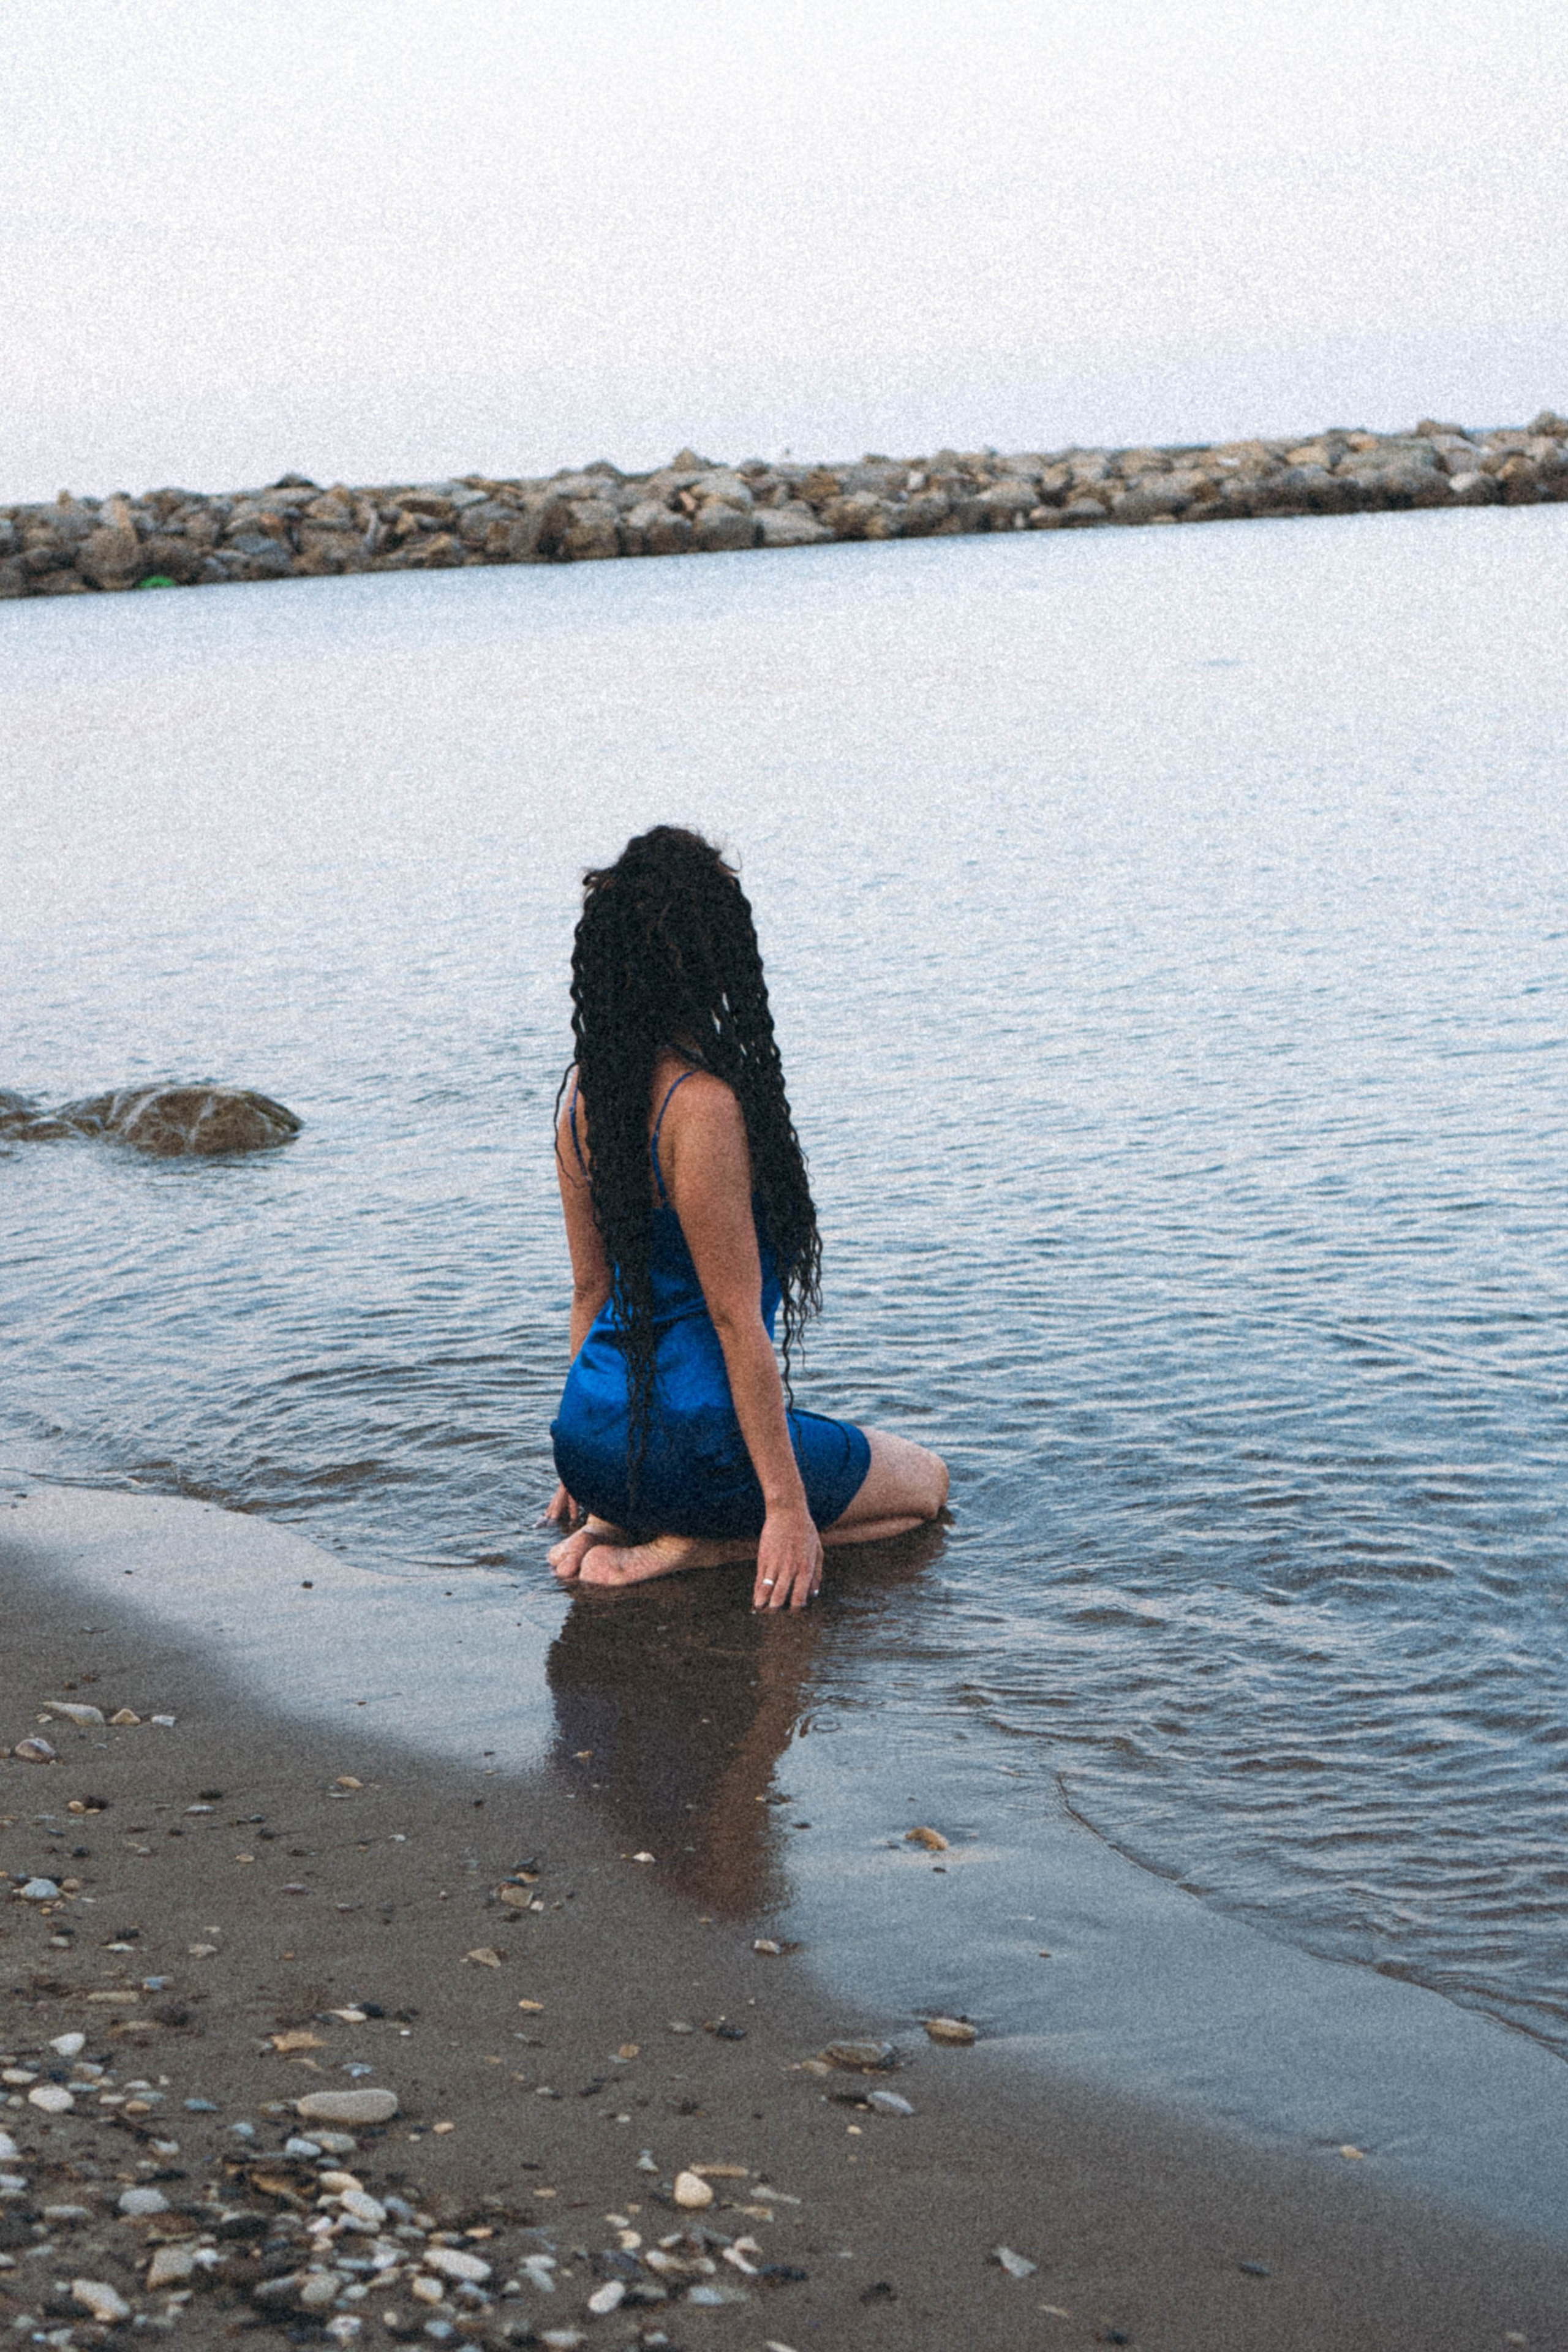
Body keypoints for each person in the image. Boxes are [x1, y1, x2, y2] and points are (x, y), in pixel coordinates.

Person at [545, 825, 948, 1610]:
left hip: (589, 1436)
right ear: (714, 956)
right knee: (926, 1486)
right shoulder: (703, 1109)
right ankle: (703, 1548)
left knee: (769, 1448)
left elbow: (589, 1292)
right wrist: (786, 1511)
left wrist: (590, 1483)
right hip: (698, 1446)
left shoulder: (584, 1102)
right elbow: (735, 1322)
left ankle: (622, 1529)